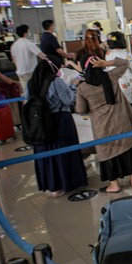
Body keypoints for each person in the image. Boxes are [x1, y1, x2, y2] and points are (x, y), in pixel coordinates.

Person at [76, 56, 132, 193]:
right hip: (121, 120)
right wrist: (106, 63)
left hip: (102, 126)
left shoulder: (82, 88)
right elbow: (125, 63)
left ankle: (115, 185)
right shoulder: (111, 76)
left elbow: (81, 110)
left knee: (108, 152)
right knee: (128, 147)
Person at [29, 55, 87, 197]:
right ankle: (67, 182)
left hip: (40, 123)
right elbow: (69, 100)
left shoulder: (32, 82)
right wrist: (73, 85)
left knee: (47, 153)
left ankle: (53, 185)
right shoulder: (56, 81)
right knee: (64, 152)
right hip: (60, 120)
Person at [105, 32, 132, 109]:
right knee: (131, 112)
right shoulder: (126, 53)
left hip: (115, 87)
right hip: (129, 86)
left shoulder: (108, 55)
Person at [11, 24, 47, 93]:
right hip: (30, 72)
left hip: (20, 72)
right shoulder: (29, 43)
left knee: (26, 92)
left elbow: (14, 60)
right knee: (35, 91)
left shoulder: (14, 45)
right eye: (28, 31)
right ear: (25, 33)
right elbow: (41, 55)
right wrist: (51, 61)